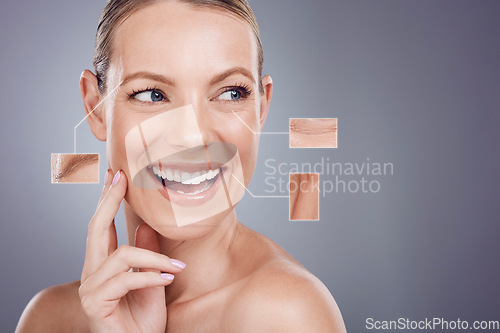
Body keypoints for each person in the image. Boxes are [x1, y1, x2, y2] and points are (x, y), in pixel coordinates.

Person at [16, 0, 346, 331]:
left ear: (261, 109)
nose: (193, 136)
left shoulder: (285, 313)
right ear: (95, 108)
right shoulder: (49, 317)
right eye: (151, 95)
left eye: (231, 93)